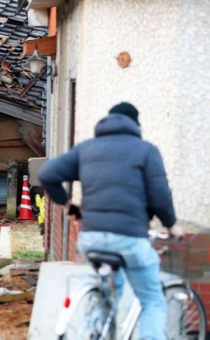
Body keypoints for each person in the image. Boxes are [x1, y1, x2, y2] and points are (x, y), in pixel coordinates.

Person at [38, 102, 183, 340]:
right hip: (129, 239)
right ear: (136, 124)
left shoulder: (86, 149)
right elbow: (160, 197)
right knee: (152, 300)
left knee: (112, 292)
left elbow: (47, 174)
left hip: (91, 239)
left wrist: (68, 205)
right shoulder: (146, 150)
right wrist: (172, 225)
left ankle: (99, 329)